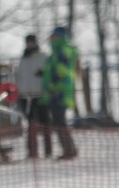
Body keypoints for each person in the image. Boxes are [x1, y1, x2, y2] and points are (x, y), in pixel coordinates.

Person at [40, 26, 79, 160]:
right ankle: (69, 148)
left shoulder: (63, 50)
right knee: (58, 122)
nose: (51, 38)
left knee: (60, 122)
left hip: (59, 92)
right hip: (54, 91)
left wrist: (54, 87)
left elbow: (61, 71)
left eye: (54, 36)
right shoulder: (55, 52)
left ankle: (69, 150)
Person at [16, 34, 52, 159]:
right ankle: (32, 152)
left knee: (45, 123)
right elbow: (19, 77)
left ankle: (48, 151)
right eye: (28, 42)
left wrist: (43, 75)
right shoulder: (23, 59)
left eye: (31, 42)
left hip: (40, 95)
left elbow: (49, 74)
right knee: (30, 124)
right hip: (26, 96)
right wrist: (19, 92)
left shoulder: (43, 57)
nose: (29, 44)